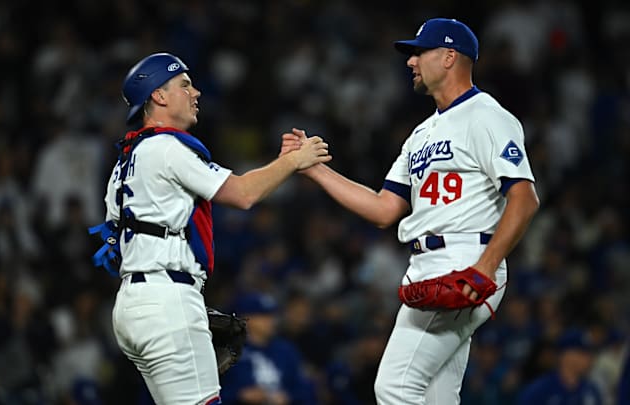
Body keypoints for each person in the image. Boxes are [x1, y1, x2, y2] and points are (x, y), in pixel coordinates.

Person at [281, 18, 539, 404]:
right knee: (436, 396)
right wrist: (315, 169)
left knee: (394, 388)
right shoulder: (421, 133)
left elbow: (524, 197)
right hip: (428, 263)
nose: (410, 61)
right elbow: (384, 208)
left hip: (466, 260)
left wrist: (485, 266)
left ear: (449, 56)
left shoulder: (487, 115)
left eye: (420, 52)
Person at [100, 52, 331, 405]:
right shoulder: (166, 147)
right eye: (184, 85)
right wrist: (294, 161)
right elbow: (242, 194)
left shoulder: (126, 160)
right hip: (166, 298)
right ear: (158, 96)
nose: (196, 93)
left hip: (132, 304)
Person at [220, 292, 317, 404]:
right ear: (245, 318)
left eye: (272, 316)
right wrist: (239, 395)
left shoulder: (286, 350)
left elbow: (305, 390)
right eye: (263, 316)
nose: (270, 321)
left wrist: (288, 396)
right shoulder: (227, 351)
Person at [516, 329, 603, 404]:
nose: (589, 359)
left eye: (589, 354)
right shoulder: (539, 391)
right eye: (582, 353)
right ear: (564, 355)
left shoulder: (592, 391)